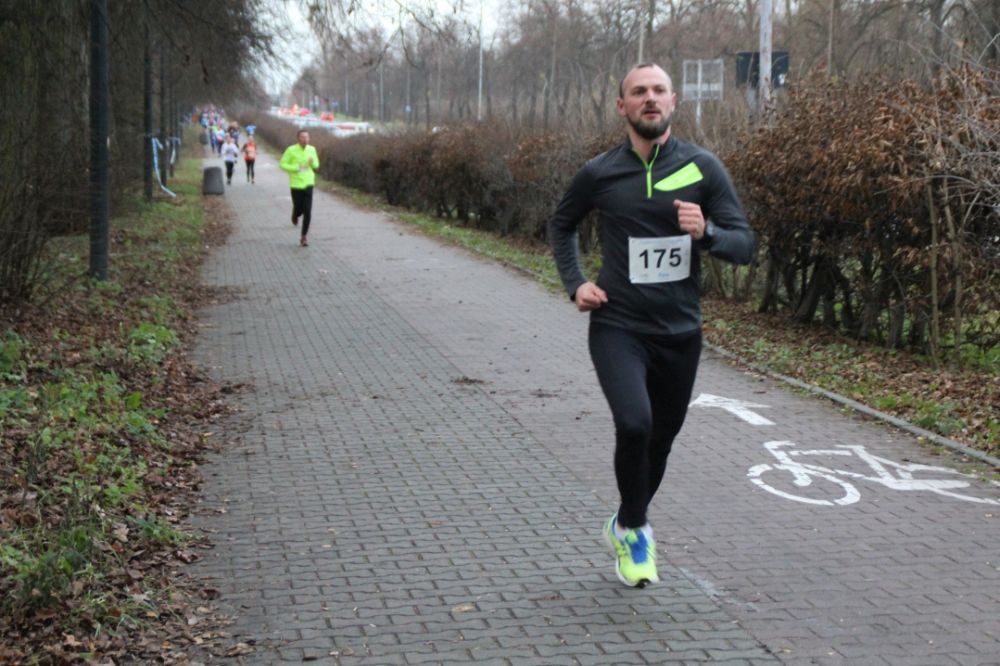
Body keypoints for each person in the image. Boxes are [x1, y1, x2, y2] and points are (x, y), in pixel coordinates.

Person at [548, 63, 755, 588]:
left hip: (680, 332)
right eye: (639, 92)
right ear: (622, 106)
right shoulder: (599, 173)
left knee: (660, 440)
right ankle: (637, 532)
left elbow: (745, 245)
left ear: (673, 101)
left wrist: (708, 233)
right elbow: (561, 224)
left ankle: (624, 521)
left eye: (659, 90)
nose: (650, 99)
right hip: (618, 325)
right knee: (635, 423)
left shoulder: (702, 168)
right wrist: (575, 283)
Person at [278, 130, 320, 247]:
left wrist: (312, 163)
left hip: (309, 182)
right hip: (296, 183)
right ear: (298, 139)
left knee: (307, 210)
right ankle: (295, 214)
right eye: (302, 137)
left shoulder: (312, 149)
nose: (305, 139)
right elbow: (282, 164)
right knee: (298, 208)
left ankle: (304, 236)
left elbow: (316, 165)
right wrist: (296, 168)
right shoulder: (291, 150)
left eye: (307, 137)